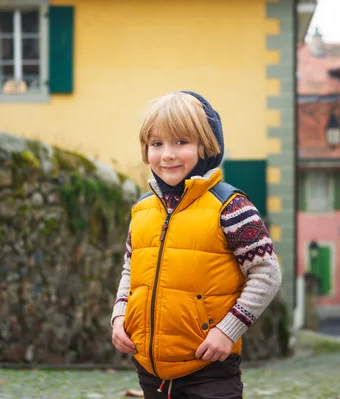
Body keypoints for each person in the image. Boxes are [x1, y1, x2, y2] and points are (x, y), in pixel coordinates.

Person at [110, 91, 282, 399]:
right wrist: (120, 316)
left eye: (181, 142)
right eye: (156, 144)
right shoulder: (142, 210)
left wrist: (227, 330)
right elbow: (129, 268)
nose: (167, 154)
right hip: (151, 370)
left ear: (206, 147)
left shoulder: (231, 207)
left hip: (209, 367)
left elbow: (267, 274)